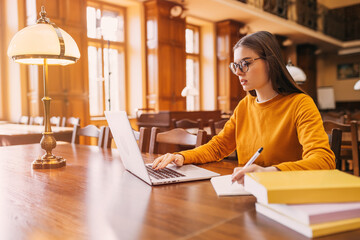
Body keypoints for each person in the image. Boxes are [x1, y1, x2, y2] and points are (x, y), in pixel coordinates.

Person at [152, 31, 335, 184]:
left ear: (270, 61)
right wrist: (182, 157)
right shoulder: (245, 105)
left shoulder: (300, 104)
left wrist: (271, 172)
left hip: (286, 194)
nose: (238, 72)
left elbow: (323, 161)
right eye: (236, 65)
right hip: (247, 191)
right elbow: (218, 147)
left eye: (246, 63)